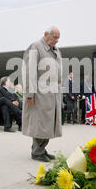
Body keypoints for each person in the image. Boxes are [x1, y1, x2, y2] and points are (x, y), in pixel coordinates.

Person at [22, 26, 62, 162]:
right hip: (40, 94)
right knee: (41, 123)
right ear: (46, 34)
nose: (57, 40)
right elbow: (29, 73)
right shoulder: (35, 47)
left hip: (52, 94)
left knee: (48, 124)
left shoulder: (55, 50)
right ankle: (37, 152)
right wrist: (29, 94)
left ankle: (41, 150)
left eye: (58, 38)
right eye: (54, 37)